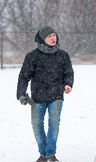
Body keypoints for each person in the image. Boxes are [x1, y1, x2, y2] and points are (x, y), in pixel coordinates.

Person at [17, 26, 74, 162]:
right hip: (37, 96)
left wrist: (68, 84)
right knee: (36, 125)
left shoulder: (63, 55)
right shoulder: (32, 56)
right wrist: (21, 94)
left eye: (54, 35)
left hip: (57, 95)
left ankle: (50, 155)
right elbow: (24, 76)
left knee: (54, 124)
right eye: (49, 36)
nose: (53, 38)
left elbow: (68, 72)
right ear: (42, 39)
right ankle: (43, 154)